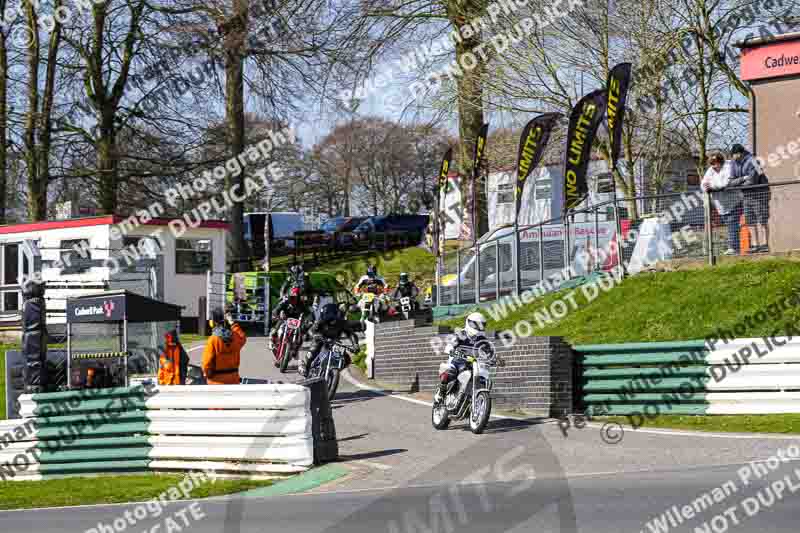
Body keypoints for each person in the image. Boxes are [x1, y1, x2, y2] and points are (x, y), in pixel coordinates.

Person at [435, 312, 494, 403]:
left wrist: (495, 359)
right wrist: (454, 352)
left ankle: (476, 399)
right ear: (469, 323)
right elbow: (449, 347)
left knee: (484, 376)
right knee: (449, 371)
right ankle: (441, 392)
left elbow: (490, 353)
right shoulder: (461, 334)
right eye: (475, 324)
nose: (478, 327)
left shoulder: (482, 340)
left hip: (473, 363)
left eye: (481, 325)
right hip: (457, 361)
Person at [298, 303, 365, 377]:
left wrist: (355, 345)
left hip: (334, 342)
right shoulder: (322, 321)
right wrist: (315, 335)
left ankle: (332, 371)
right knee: (314, 350)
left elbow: (351, 334)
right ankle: (305, 365)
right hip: (321, 339)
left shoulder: (342, 323)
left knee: (347, 360)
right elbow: (311, 330)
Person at [728, 144, 770, 253]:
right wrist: (743, 178)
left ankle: (765, 245)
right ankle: (755, 245)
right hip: (746, 196)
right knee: (750, 220)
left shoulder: (754, 161)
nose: (733, 157)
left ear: (739, 153)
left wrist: (738, 184)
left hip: (760, 194)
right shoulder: (733, 163)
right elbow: (731, 182)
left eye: (734, 155)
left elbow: (752, 181)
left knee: (762, 219)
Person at [702, 152, 743, 256]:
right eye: (711, 163)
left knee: (732, 224)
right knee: (729, 225)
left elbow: (725, 183)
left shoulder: (729, 167)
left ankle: (733, 248)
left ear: (720, 162)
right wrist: (708, 186)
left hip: (734, 202)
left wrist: (712, 186)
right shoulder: (711, 170)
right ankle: (733, 247)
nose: (713, 166)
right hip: (721, 204)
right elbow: (703, 184)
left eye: (715, 163)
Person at [202, 307, 247, 384]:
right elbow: (242, 337)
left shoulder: (213, 340)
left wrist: (208, 375)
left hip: (216, 382)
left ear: (213, 322)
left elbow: (206, 363)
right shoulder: (235, 336)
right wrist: (232, 323)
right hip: (233, 379)